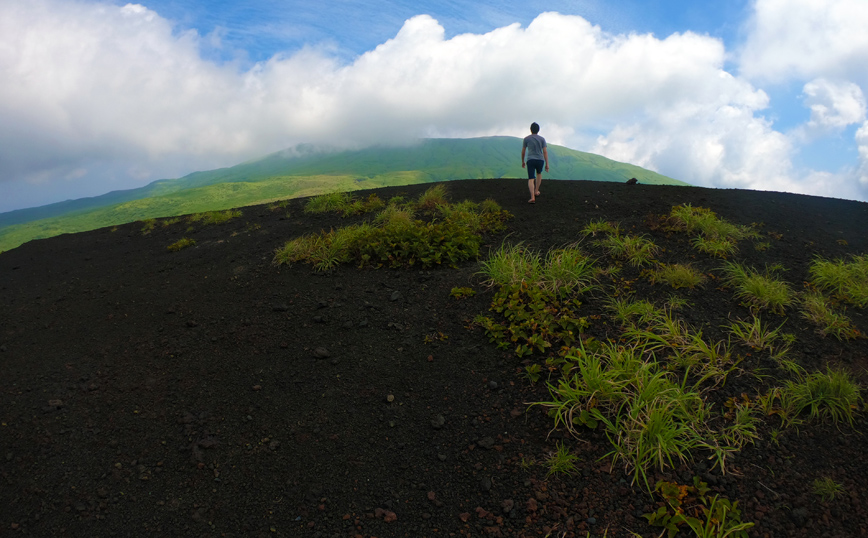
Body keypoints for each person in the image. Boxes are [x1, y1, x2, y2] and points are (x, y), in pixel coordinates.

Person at [521, 122, 549, 203]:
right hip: (540, 159)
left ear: (531, 129)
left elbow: (523, 152)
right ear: (538, 130)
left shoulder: (526, 139)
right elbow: (545, 152)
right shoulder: (542, 139)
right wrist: (547, 164)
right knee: (539, 174)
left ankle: (532, 197)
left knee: (531, 178)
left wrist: (523, 161)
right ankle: (536, 191)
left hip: (530, 159)